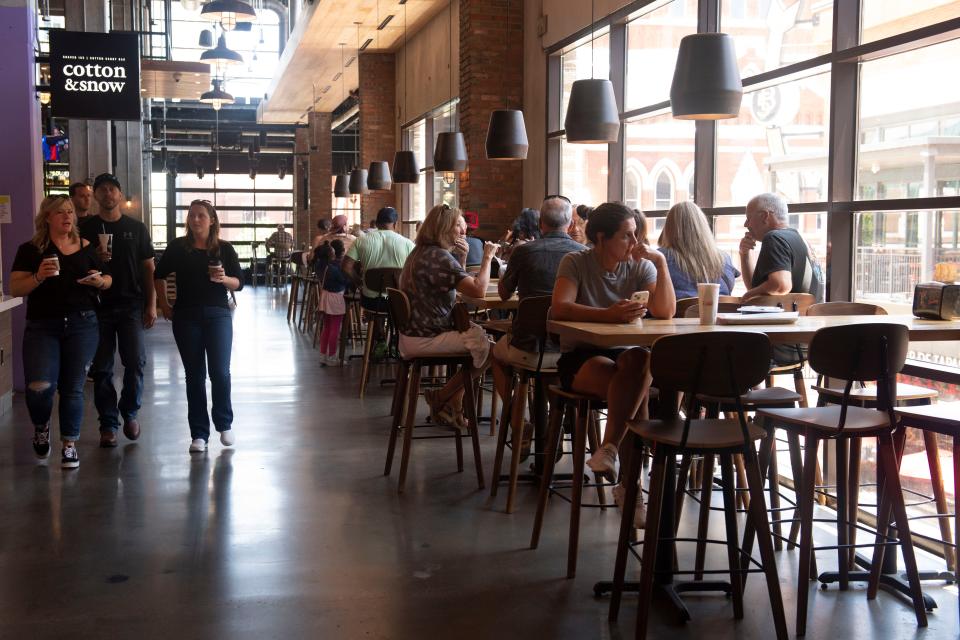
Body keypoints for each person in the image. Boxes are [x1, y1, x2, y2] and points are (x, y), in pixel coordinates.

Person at [551, 202, 676, 526]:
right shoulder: (576, 261)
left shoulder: (639, 265)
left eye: (635, 235)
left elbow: (664, 312)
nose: (634, 244)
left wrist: (660, 265)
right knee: (636, 395)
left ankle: (609, 449)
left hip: (628, 358)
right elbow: (560, 308)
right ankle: (631, 488)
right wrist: (606, 315)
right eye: (625, 236)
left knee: (639, 363)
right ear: (601, 237)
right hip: (580, 356)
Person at [10, 196, 111, 468]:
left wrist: (99, 281)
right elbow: (15, 288)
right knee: (39, 387)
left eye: (70, 212)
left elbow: (108, 278)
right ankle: (41, 426)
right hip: (43, 325)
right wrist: (38, 276)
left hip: (83, 323)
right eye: (60, 212)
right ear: (47, 218)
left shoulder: (88, 247)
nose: (67, 217)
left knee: (74, 388)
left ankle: (69, 444)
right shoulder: (31, 250)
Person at [155, 200, 243, 453]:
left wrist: (223, 278)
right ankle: (199, 434)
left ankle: (224, 423)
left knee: (220, 372)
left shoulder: (224, 249)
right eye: (192, 215)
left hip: (218, 315)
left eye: (201, 216)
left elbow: (240, 282)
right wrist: (164, 304)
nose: (195, 220)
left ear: (212, 220)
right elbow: (158, 274)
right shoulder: (178, 248)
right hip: (186, 316)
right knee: (194, 376)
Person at [398, 204, 498, 427]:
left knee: (479, 344)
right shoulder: (438, 256)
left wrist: (461, 259)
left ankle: (452, 404)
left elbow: (452, 288)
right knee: (491, 349)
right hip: (427, 338)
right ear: (443, 228)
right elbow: (478, 290)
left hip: (412, 334)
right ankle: (442, 398)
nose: (464, 232)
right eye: (458, 227)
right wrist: (487, 258)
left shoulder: (422, 252)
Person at [80, 173, 156, 448]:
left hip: (130, 305)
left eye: (113, 189)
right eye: (102, 190)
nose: (108, 194)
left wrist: (151, 304)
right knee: (101, 368)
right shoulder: (85, 228)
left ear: (120, 195)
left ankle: (131, 412)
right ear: (95, 196)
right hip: (96, 307)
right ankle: (108, 424)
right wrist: (93, 258)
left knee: (135, 361)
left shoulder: (136, 228)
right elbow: (75, 265)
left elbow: (148, 269)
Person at [493, 195, 584, 372]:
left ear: (540, 223)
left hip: (529, 348)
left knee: (495, 352)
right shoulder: (585, 254)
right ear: (571, 224)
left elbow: (504, 294)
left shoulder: (523, 252)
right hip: (572, 349)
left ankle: (512, 401)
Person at [739, 192, 824, 303]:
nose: (746, 224)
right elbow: (758, 290)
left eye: (749, 218)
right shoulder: (801, 239)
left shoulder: (774, 238)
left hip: (788, 318)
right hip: (809, 317)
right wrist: (744, 255)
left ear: (765, 216)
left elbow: (780, 285)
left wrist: (746, 297)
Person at [659, 201, 740, 299]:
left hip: (678, 314)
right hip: (718, 313)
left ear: (668, 227)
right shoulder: (724, 258)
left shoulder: (660, 258)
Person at [342, 206, 415, 312]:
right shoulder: (408, 243)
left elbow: (346, 267)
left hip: (370, 301)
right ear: (395, 224)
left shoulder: (361, 240)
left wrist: (359, 283)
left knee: (373, 310)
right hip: (398, 300)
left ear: (376, 223)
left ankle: (375, 327)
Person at [316, 241, 349, 366]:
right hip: (336, 298)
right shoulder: (334, 268)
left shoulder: (321, 266)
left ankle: (323, 355)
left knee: (327, 327)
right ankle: (332, 357)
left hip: (325, 296)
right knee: (335, 328)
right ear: (330, 255)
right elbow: (344, 281)